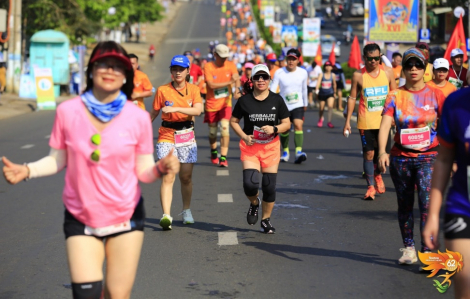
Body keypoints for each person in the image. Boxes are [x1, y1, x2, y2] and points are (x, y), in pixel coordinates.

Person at [2, 41, 180, 299]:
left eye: (118, 67)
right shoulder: (68, 111)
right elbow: (57, 159)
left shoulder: (138, 118)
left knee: (117, 295)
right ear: (91, 69)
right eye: (103, 64)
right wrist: (27, 170)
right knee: (86, 294)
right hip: (81, 215)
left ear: (127, 76)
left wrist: (160, 168)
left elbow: (143, 172)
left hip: (125, 215)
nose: (110, 70)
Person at [377, 47, 445, 264]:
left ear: (425, 68)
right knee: (404, 204)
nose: (413, 69)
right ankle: (409, 248)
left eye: (418, 64)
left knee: (427, 204)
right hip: (401, 158)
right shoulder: (395, 95)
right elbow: (386, 123)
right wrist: (382, 152)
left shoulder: (436, 94)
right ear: (404, 69)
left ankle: (428, 251)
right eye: (409, 65)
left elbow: (447, 127)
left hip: (430, 157)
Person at [230, 64, 291, 234]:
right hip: (251, 147)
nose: (261, 80)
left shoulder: (277, 100)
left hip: (271, 147)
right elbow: (233, 121)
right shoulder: (244, 101)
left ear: (270, 80)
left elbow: (287, 123)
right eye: (258, 77)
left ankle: (265, 220)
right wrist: (244, 136)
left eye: (265, 77)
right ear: (253, 80)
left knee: (269, 186)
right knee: (250, 184)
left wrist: (275, 129)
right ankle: (254, 203)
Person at [423, 87, 470, 298]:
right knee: (466, 284)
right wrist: (432, 215)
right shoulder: (456, 102)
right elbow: (443, 159)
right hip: (463, 207)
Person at [150, 55, 203, 230]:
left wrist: (176, 108)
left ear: (188, 71)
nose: (178, 72)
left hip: (186, 135)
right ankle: (166, 215)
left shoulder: (194, 90)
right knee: (168, 175)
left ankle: (186, 210)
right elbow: (154, 113)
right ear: (171, 71)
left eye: (181, 69)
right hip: (166, 134)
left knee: (186, 177)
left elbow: (198, 110)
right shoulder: (162, 90)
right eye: (175, 69)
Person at [343, 43, 397, 200]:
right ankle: (370, 187)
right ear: (364, 58)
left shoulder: (387, 72)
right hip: (365, 121)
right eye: (370, 59)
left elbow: (394, 94)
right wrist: (347, 121)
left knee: (382, 155)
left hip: (384, 122)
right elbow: (352, 97)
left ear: (380, 57)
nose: (373, 62)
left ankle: (378, 175)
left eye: (376, 58)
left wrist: (395, 116)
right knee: (368, 153)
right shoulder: (358, 76)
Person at [204, 43, 241, 167]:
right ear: (215, 55)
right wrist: (229, 82)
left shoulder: (230, 65)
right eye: (221, 57)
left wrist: (236, 88)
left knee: (225, 129)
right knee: (212, 133)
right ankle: (214, 151)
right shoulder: (208, 67)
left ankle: (223, 157)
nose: (224, 59)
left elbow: (236, 77)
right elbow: (211, 85)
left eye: (226, 57)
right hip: (211, 103)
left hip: (226, 103)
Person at [270, 48, 308, 164]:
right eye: (289, 59)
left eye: (293, 59)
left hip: (298, 104)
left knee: (298, 124)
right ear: (286, 60)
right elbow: (272, 88)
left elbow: (304, 89)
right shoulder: (279, 72)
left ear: (298, 61)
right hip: (283, 105)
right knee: (285, 128)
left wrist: (305, 104)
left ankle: (298, 152)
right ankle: (285, 152)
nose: (291, 62)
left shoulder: (303, 72)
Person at [315, 61, 336, 128]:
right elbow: (318, 83)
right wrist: (316, 91)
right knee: (321, 108)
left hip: (330, 93)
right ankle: (320, 119)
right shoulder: (321, 74)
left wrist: (335, 92)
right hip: (322, 93)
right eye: (326, 66)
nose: (328, 67)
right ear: (324, 67)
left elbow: (334, 84)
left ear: (331, 67)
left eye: (329, 66)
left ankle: (329, 122)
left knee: (330, 107)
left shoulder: (333, 75)